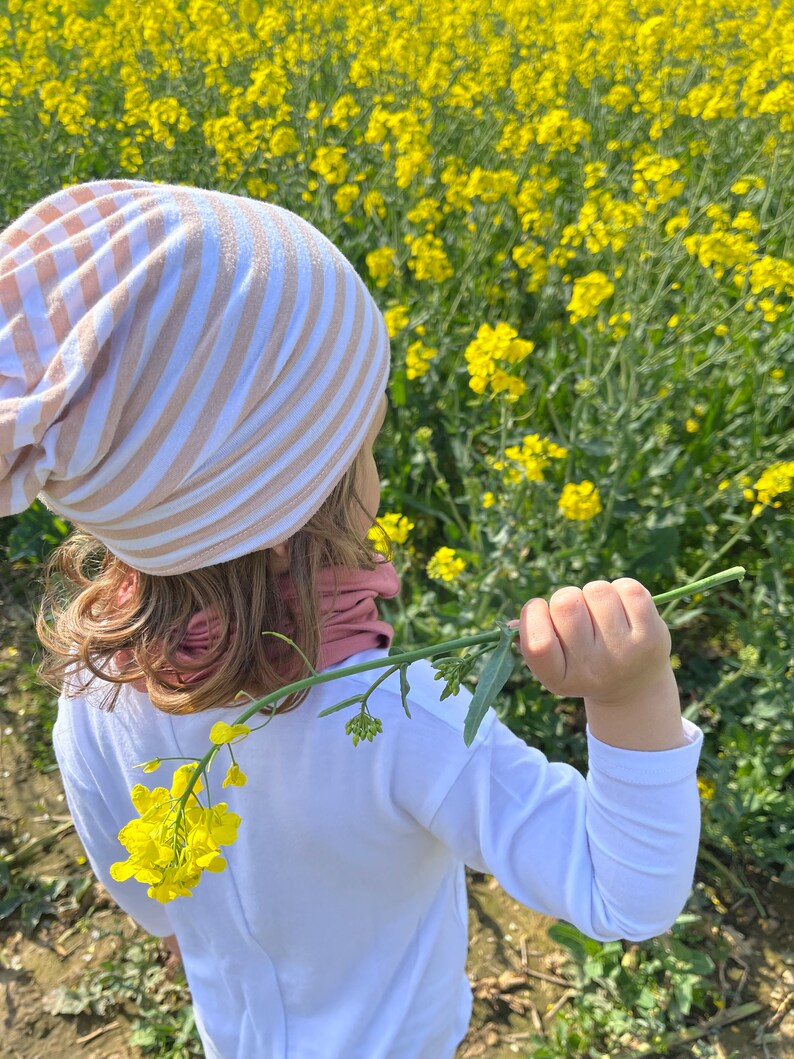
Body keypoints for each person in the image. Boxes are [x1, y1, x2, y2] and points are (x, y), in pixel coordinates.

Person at [0, 180, 703, 1059]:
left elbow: (144, 887)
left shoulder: (86, 689)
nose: (378, 460)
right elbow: (626, 891)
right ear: (300, 505)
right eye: (366, 443)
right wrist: (632, 695)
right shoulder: (403, 716)